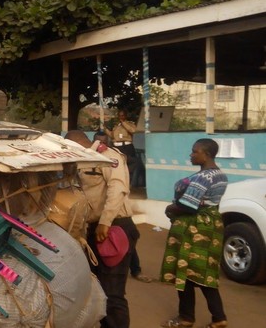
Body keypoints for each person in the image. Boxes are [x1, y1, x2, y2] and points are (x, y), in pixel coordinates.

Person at [65, 130, 138, 328]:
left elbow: (118, 188)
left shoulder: (107, 156)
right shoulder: (81, 161)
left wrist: (105, 222)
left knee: (112, 292)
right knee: (96, 288)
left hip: (114, 228)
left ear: (77, 144)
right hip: (93, 229)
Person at [160, 139, 228, 328]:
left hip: (194, 227)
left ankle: (186, 318)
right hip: (211, 225)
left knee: (185, 270)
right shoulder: (220, 174)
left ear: (205, 154)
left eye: (194, 152)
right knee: (205, 271)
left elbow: (187, 205)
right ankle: (219, 317)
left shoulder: (203, 177)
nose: (191, 155)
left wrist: (170, 208)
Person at [93, 131, 152, 283]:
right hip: (103, 215)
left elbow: (117, 189)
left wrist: (105, 220)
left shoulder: (112, 158)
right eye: (97, 141)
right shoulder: (91, 158)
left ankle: (136, 271)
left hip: (116, 215)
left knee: (125, 250)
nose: (100, 144)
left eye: (103, 141)